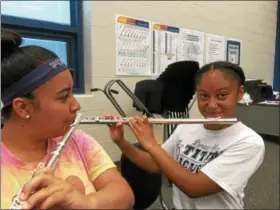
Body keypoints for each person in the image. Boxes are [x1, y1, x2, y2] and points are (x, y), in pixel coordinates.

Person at [1, 29, 134, 210]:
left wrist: (88, 202)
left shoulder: (77, 140)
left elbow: (124, 195)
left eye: (72, 92)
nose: (76, 105)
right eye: (64, 97)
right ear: (23, 107)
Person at [107, 61, 265, 209]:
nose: (211, 105)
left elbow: (194, 187)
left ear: (239, 93)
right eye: (203, 96)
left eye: (222, 95)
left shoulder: (249, 143)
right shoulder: (187, 127)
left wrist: (151, 143)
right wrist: (121, 142)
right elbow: (155, 164)